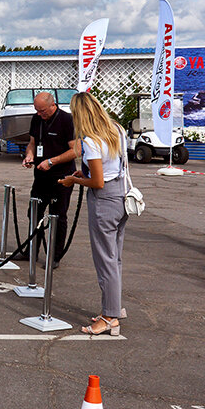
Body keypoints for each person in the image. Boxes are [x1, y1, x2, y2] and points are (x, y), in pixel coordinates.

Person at [58, 92, 127, 336]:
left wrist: (74, 181)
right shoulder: (116, 129)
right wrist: (82, 177)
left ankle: (110, 316)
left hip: (105, 200)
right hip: (121, 195)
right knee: (114, 257)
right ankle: (113, 306)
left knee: (104, 260)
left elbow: (97, 181)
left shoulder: (91, 141)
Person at [22, 91, 79, 266]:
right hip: (41, 176)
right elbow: (32, 143)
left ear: (53, 105)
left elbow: (75, 150)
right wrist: (29, 156)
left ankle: (54, 256)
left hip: (62, 177)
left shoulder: (67, 120)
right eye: (37, 110)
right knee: (34, 213)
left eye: (43, 111)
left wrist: (51, 162)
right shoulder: (37, 119)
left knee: (58, 215)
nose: (40, 114)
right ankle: (31, 250)